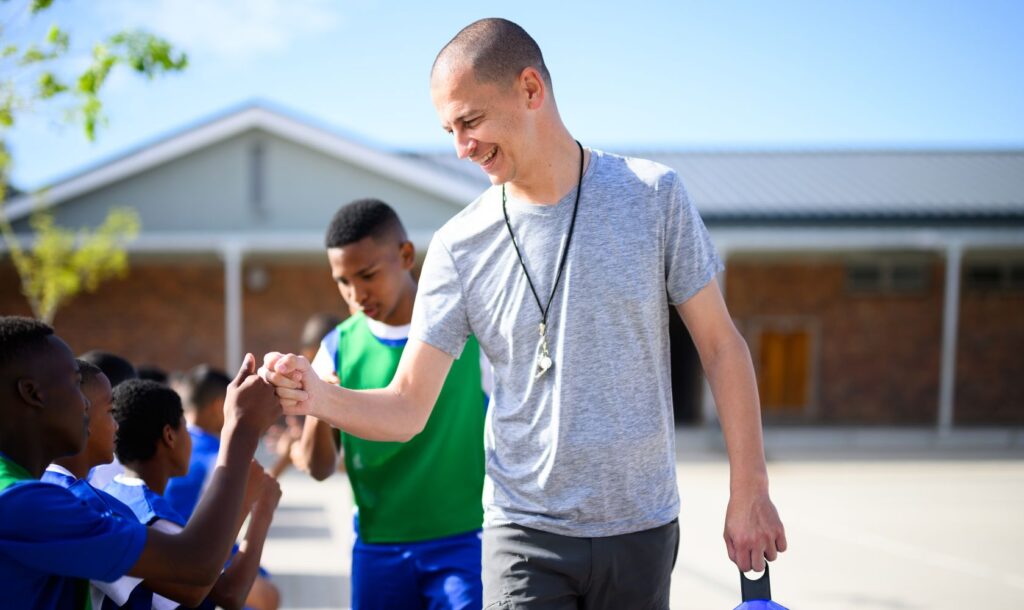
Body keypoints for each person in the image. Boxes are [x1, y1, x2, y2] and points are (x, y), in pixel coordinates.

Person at [262, 17, 788, 608]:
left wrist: (750, 487)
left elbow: (721, 346)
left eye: (470, 121)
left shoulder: (653, 196)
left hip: (641, 524)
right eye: (449, 129)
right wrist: (316, 396)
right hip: (523, 532)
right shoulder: (460, 246)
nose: (461, 148)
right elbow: (408, 407)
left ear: (531, 90)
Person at [0, 315, 280, 610]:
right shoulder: (24, 503)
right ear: (32, 393)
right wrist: (241, 427)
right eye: (73, 382)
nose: (83, 402)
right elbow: (196, 569)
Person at [289, 198, 488, 609]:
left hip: (464, 540)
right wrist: (319, 405)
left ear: (406, 255)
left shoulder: (470, 335)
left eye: (367, 275)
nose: (355, 293)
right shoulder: (337, 347)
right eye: (342, 281)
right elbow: (319, 468)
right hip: (378, 547)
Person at [103, 379, 280, 610]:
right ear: (170, 436)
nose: (192, 440)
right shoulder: (155, 518)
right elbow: (230, 594)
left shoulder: (113, 493)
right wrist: (261, 511)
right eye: (185, 428)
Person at [165, 364, 282, 610]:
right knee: (267, 595)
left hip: (166, 555)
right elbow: (260, 490)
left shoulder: (172, 441)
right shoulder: (219, 455)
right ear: (221, 406)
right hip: (197, 561)